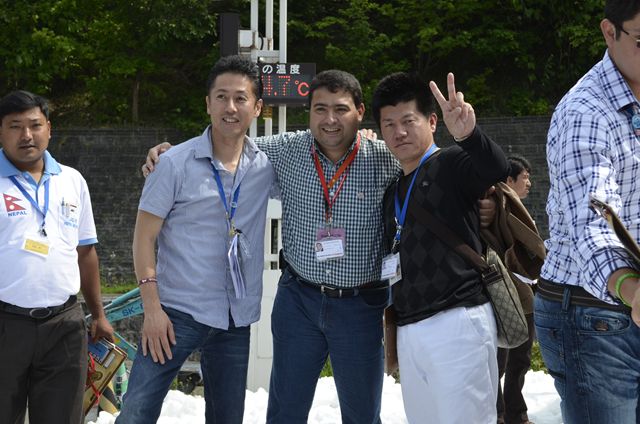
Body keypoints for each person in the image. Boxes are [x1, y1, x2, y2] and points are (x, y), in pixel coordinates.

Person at [143, 69, 498, 424]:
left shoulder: (386, 156)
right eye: (320, 109)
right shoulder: (284, 151)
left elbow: (447, 174)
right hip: (299, 301)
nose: (330, 120)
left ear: (359, 113)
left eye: (341, 109)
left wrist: (486, 199)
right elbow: (229, 147)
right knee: (285, 412)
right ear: (309, 112)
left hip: (361, 305)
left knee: (362, 416)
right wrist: (170, 153)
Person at [115, 55, 276, 424]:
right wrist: (152, 311)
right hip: (175, 315)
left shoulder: (265, 166)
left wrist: (362, 139)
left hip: (235, 320)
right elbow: (143, 239)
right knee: (136, 412)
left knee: (227, 418)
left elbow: (320, 151)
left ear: (257, 107)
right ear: (207, 103)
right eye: (221, 97)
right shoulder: (174, 163)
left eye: (240, 98)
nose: (230, 107)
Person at [373, 72, 509, 423]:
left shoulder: (450, 163)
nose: (399, 132)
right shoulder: (393, 190)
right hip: (409, 328)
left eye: (408, 121)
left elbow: (495, 167)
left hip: (457, 321)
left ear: (432, 121)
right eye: (389, 124)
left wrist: (469, 135)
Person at [537, 1, 640, 422]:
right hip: (592, 316)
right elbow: (592, 221)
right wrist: (631, 289)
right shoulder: (585, 112)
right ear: (609, 32)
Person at [0, 90, 113, 424]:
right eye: (15, 126)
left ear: (49, 128)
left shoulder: (72, 180)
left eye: (35, 125)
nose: (26, 135)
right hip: (6, 324)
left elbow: (86, 252)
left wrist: (98, 314)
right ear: (1, 131)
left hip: (64, 325)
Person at [497, 154, 536, 424]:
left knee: (520, 359)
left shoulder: (517, 207)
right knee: (500, 361)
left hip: (524, 295)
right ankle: (499, 415)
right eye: (525, 177)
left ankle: (515, 413)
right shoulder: (500, 207)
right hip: (506, 295)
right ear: (509, 180)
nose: (529, 183)